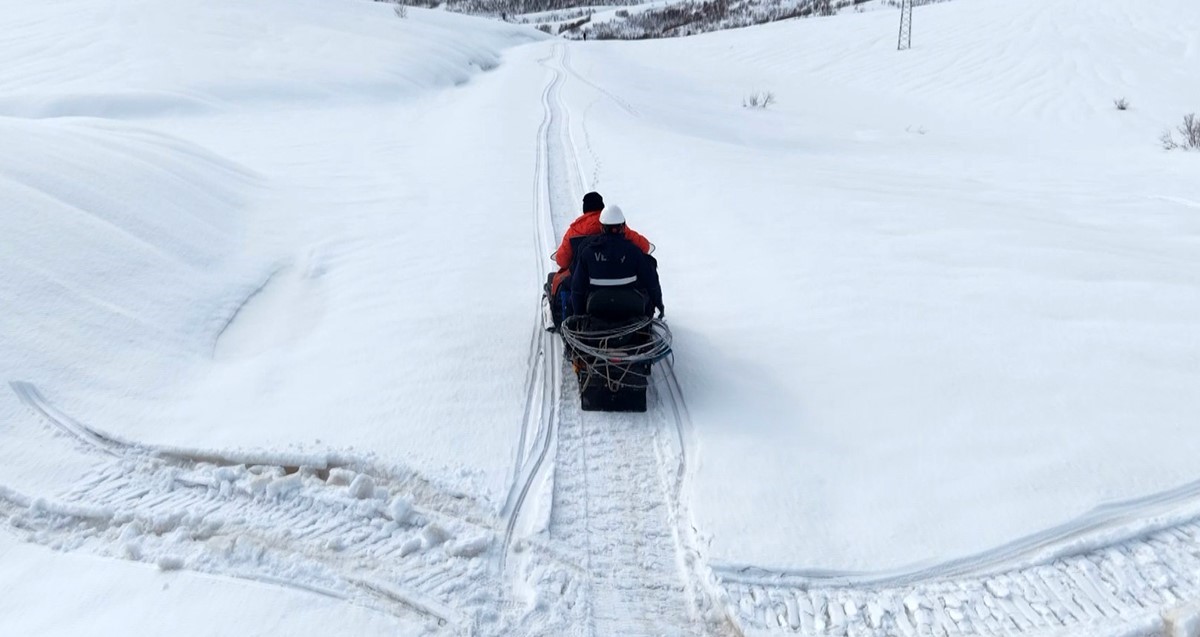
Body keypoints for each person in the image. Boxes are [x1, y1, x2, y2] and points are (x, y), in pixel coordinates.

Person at [550, 191, 651, 298]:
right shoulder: (616, 227)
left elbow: (562, 260)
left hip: (586, 286)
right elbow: (644, 247)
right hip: (621, 281)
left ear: (585, 209)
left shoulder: (574, 230)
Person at [570, 205, 663, 318]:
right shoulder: (634, 251)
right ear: (622, 226)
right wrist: (658, 305)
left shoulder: (588, 252)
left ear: (602, 227)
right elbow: (651, 282)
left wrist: (578, 314)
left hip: (596, 309)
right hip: (630, 307)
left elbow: (577, 287)